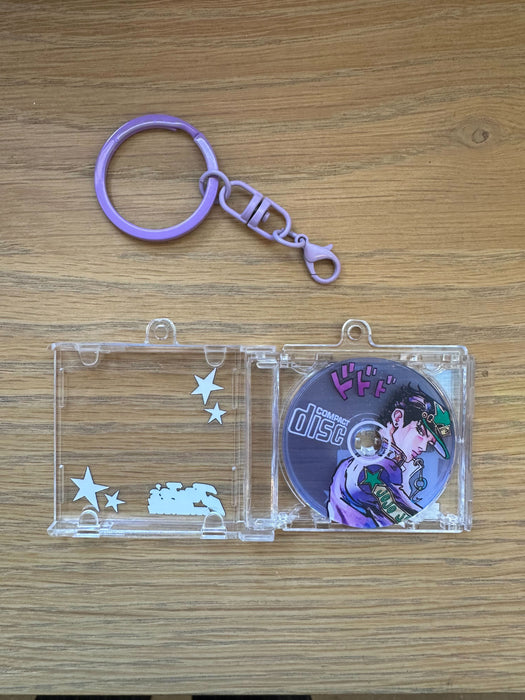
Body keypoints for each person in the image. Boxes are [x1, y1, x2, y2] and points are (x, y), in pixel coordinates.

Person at [328, 386, 451, 528]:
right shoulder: (374, 468)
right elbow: (401, 515)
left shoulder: (367, 463)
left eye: (429, 442)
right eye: (420, 432)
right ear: (398, 418)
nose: (423, 447)